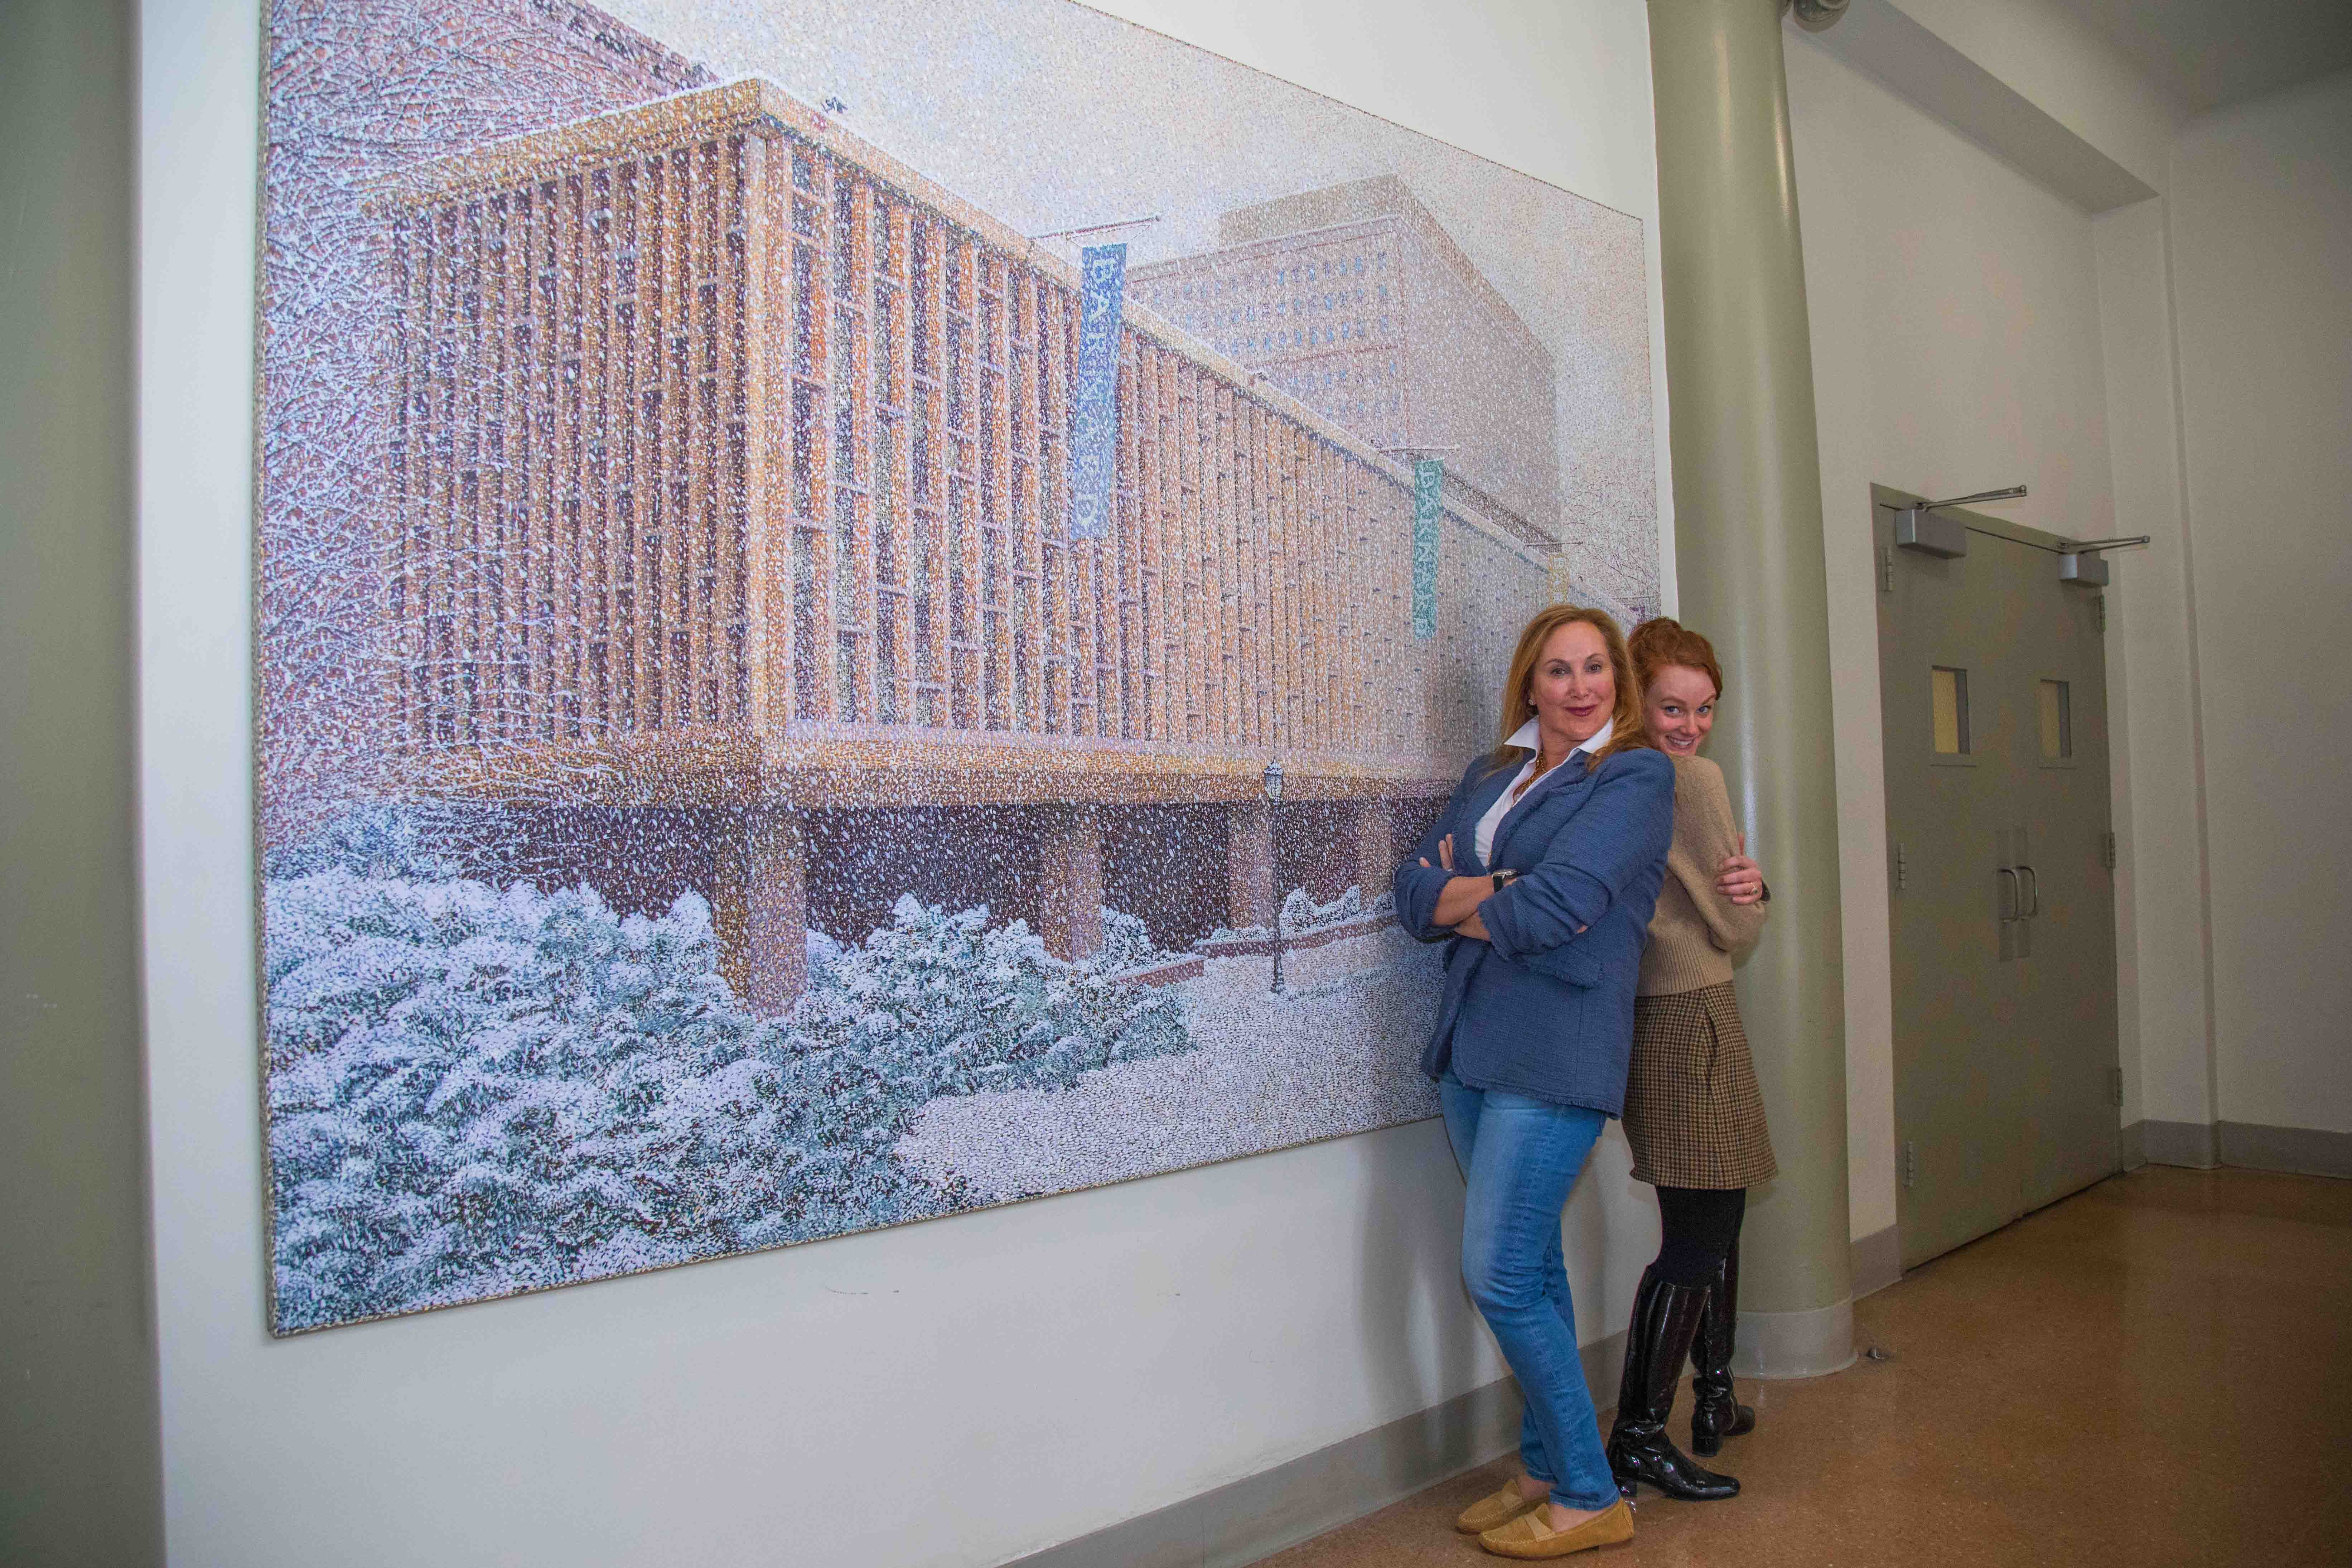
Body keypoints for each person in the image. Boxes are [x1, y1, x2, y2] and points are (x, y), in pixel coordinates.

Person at [1394, 605, 1675, 1560]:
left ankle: (1592, 1494)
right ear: (1530, 684)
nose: (1580, 685)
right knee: (1535, 1266)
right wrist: (1504, 889)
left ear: (1617, 683)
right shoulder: (1493, 775)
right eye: (1558, 670)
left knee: (1500, 1273)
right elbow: (1410, 895)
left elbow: (1563, 904)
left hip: (1558, 1049)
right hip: (1474, 1044)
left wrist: (1483, 893)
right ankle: (1548, 1469)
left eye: (1596, 667)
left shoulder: (1634, 775)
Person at [1602, 616, 1774, 1503]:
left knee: (1711, 1207)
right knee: (1706, 1230)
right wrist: (1756, 892)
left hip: (1641, 1017)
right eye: (1673, 706)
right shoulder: (1691, 781)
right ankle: (1644, 1432)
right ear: (1640, 697)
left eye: (1704, 709)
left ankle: (1714, 1398)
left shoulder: (1608, 773)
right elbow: (1736, 923)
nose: (1691, 726)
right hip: (1694, 1009)